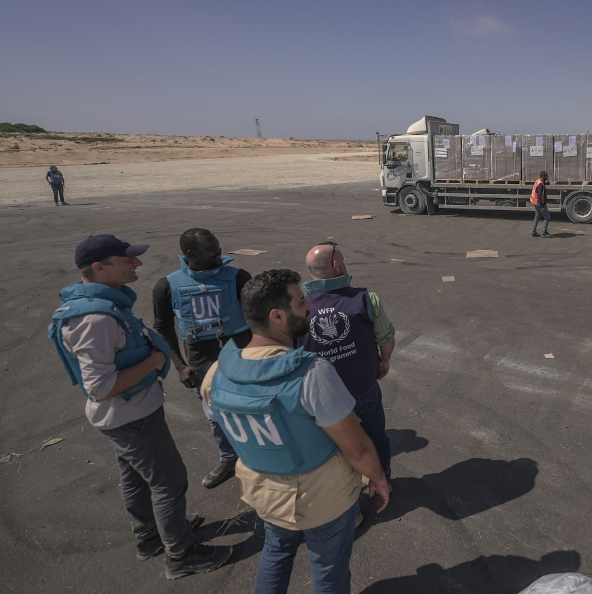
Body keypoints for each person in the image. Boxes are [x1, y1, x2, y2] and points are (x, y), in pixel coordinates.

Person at [48, 234, 232, 579]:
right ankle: (181, 555)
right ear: (99, 268)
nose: (138, 264)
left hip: (127, 417)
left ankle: (150, 536)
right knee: (169, 481)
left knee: (134, 476)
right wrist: (156, 361)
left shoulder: (97, 304)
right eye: (127, 259)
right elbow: (99, 387)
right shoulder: (95, 320)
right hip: (131, 418)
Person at [201, 269, 390, 594]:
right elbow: (357, 448)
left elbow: (229, 427)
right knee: (329, 571)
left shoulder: (216, 374)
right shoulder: (312, 374)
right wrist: (378, 478)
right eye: (301, 301)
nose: (310, 307)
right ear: (277, 316)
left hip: (266, 495)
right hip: (323, 500)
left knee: (275, 554)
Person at [297, 242, 396, 523]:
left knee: (335, 451)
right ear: (337, 265)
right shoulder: (366, 298)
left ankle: (349, 508)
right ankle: (382, 483)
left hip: (322, 398)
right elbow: (385, 337)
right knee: (375, 436)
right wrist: (384, 361)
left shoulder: (298, 307)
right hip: (362, 387)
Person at [152, 228, 252, 489]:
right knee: (214, 414)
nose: (219, 251)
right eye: (211, 249)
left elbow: (261, 317)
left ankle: (259, 457)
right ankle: (229, 457)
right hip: (201, 361)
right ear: (190, 254)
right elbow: (162, 327)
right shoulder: (167, 285)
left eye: (218, 245)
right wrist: (179, 365)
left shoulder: (239, 277)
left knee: (254, 409)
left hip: (242, 356)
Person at [530, 170, 552, 238]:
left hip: (535, 202)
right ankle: (544, 232)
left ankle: (533, 232)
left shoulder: (537, 181)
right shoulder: (541, 185)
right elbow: (540, 196)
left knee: (537, 217)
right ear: (543, 176)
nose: (547, 177)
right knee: (547, 217)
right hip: (539, 203)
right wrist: (542, 206)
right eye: (546, 176)